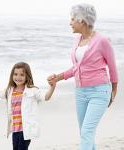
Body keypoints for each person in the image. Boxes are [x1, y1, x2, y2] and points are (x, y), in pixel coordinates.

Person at [47, 3, 118, 150]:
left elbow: (112, 68)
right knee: (85, 133)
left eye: (73, 19)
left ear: (82, 20)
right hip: (80, 92)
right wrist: (58, 77)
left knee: (87, 131)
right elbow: (77, 68)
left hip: (99, 92)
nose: (70, 22)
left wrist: (114, 91)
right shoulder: (77, 40)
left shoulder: (102, 41)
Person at [0, 62, 56, 150]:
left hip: (25, 130)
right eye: (15, 74)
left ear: (27, 76)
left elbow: (45, 97)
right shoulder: (10, 90)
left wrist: (52, 87)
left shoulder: (32, 90)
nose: (18, 77)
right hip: (15, 129)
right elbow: (0, 94)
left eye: (21, 75)